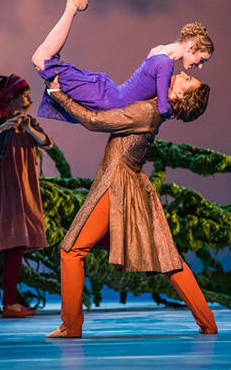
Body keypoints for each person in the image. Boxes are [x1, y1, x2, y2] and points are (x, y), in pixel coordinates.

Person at [43, 71, 217, 338]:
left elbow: (94, 120)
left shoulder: (147, 112)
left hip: (117, 187)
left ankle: (71, 326)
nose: (181, 72)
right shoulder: (157, 108)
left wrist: (58, 95)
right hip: (134, 189)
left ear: (180, 94)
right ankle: (208, 324)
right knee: (169, 260)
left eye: (187, 79)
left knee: (71, 251)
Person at [31, 0, 213, 123]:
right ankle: (71, 9)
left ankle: (71, 9)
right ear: (191, 46)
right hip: (108, 100)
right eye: (202, 59)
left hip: (110, 94)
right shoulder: (166, 64)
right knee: (41, 59)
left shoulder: (160, 50)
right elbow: (163, 106)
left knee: (47, 60)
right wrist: (172, 114)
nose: (201, 65)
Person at [0, 74, 54, 318]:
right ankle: (9, 302)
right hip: (5, 188)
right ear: (11, 98)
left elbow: (47, 143)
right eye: (25, 95)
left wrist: (29, 129)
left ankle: (10, 301)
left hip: (26, 188)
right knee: (15, 244)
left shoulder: (28, 122)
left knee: (17, 246)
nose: (29, 100)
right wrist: (1, 128)